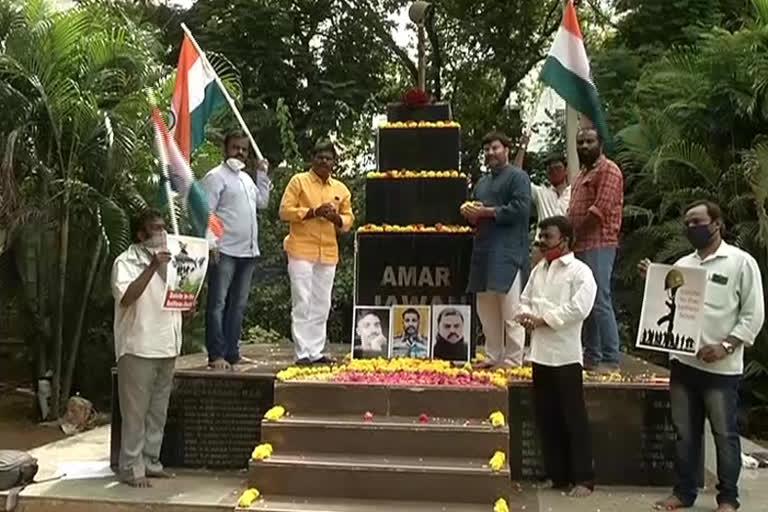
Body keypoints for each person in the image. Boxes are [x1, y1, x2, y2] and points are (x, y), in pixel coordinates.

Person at [639, 201, 764, 512]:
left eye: (697, 221)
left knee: (724, 434)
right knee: (684, 433)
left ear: (716, 223)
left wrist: (726, 345)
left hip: (721, 368)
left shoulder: (740, 262)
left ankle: (728, 498)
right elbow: (671, 306)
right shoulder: (683, 264)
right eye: (687, 222)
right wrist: (654, 282)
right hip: (683, 365)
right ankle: (683, 493)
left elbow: (753, 314)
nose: (691, 227)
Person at [515, 215, 597, 498]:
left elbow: (579, 308)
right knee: (547, 417)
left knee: (573, 418)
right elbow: (524, 299)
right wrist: (525, 316)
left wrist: (544, 320)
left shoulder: (580, 272)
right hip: (539, 354)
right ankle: (558, 476)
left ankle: (584, 480)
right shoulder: (539, 270)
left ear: (565, 240)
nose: (541, 241)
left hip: (566, 355)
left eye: (547, 236)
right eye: (540, 236)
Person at [111, 210, 182, 488]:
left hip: (167, 345)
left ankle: (151, 461)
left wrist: (186, 304)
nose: (163, 234)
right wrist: (152, 266)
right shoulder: (125, 261)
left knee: (157, 411)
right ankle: (130, 466)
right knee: (135, 413)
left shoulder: (174, 261)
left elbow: (177, 298)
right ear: (141, 235)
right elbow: (127, 297)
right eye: (156, 229)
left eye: (165, 228)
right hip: (138, 346)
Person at [279, 139, 354, 365]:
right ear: (312, 158)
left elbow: (349, 219)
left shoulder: (340, 189)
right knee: (302, 301)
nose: (324, 161)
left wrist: (337, 218)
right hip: (301, 249)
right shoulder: (298, 181)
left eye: (328, 158)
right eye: (320, 156)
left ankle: (316, 351)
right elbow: (284, 211)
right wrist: (312, 212)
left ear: (334, 162)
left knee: (322, 303)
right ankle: (302, 353)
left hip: (328, 252)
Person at [202, 130, 271, 370]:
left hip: (248, 252)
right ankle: (216, 354)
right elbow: (206, 212)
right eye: (235, 148)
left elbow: (262, 202)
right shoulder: (215, 177)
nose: (240, 153)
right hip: (225, 250)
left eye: (244, 149)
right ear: (226, 149)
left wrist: (262, 174)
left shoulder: (247, 179)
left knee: (238, 305)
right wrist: (211, 244)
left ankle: (232, 352)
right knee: (218, 303)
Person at [461, 131, 531, 369]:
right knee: (486, 310)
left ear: (507, 150)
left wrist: (486, 212)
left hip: (508, 252)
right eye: (488, 150)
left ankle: (513, 360)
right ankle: (493, 357)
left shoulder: (518, 177)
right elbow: (478, 216)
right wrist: (472, 213)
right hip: (483, 251)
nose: (491, 153)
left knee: (511, 312)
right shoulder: (482, 183)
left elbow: (521, 209)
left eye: (495, 148)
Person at [567, 127, 623, 371]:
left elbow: (598, 211)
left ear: (601, 143)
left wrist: (571, 233)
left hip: (599, 243)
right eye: (580, 142)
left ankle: (610, 359)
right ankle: (592, 356)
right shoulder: (581, 175)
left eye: (589, 141)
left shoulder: (609, 170)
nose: (584, 146)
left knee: (600, 299)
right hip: (579, 245)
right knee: (585, 301)